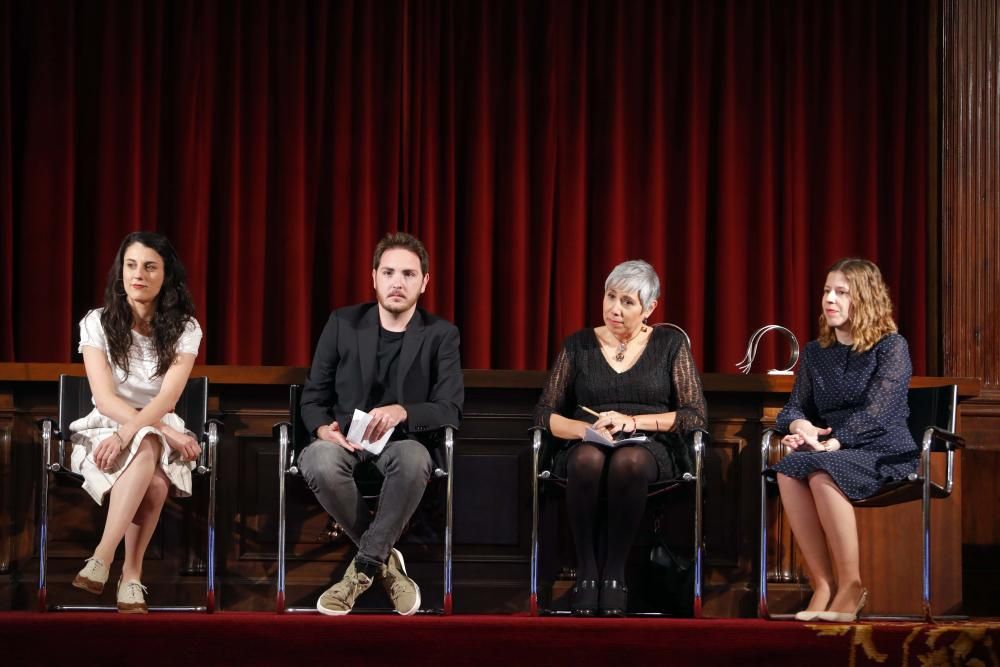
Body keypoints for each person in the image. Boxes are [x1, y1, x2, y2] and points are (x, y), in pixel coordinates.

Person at [298, 231, 463, 616]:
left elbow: (450, 409)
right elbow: (312, 397)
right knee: (318, 459)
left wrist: (404, 410)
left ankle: (361, 569)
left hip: (402, 443)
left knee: (413, 459)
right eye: (388, 272)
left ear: (425, 282)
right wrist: (324, 430)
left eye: (408, 274)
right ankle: (384, 567)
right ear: (374, 277)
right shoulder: (343, 323)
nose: (397, 282)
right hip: (345, 443)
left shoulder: (441, 335)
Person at [535, 259, 707, 616]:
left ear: (650, 308)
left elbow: (694, 414)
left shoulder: (670, 345)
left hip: (648, 446)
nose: (615, 309)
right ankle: (586, 572)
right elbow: (545, 414)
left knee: (628, 462)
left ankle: (614, 574)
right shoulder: (578, 345)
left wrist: (633, 422)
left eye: (627, 302)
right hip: (587, 441)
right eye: (610, 297)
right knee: (587, 458)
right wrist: (585, 430)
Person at [768, 258, 916, 622]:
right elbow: (792, 408)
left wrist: (835, 442)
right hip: (832, 450)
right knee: (788, 469)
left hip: (886, 450)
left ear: (864, 299)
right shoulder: (817, 352)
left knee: (820, 469)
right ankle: (823, 584)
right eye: (826, 291)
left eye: (841, 293)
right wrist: (801, 426)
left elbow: (880, 411)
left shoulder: (891, 347)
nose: (829, 300)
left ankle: (852, 586)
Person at [69, 232, 203, 614]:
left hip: (159, 422)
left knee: (154, 474)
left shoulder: (186, 328)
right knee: (151, 453)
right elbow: (106, 398)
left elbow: (166, 400)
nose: (138, 275)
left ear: (166, 276)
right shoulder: (96, 322)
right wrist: (158, 431)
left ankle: (103, 559)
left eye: (149, 267)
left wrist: (146, 429)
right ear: (120, 271)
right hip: (104, 424)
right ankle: (127, 574)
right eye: (130, 265)